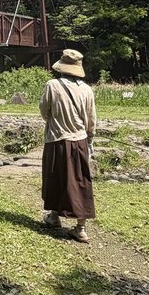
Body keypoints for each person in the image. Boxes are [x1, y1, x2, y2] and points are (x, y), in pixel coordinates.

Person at [38, 48, 97, 244]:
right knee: (80, 182)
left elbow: (44, 110)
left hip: (57, 139)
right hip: (79, 140)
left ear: (62, 66)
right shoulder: (87, 89)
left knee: (55, 178)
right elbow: (91, 119)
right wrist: (89, 138)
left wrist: (56, 119)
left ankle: (54, 216)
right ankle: (81, 228)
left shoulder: (52, 85)